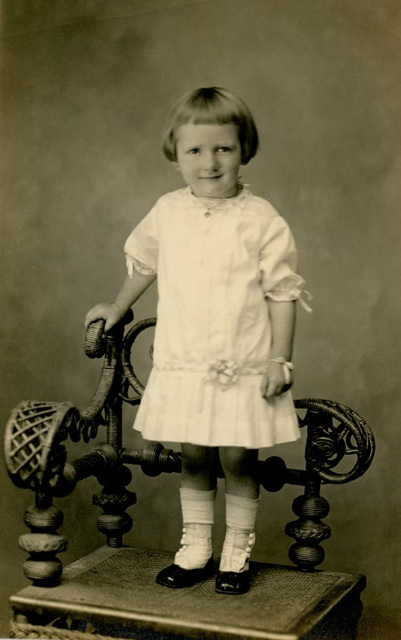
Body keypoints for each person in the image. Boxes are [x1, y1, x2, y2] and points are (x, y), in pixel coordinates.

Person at [85, 86, 309, 595]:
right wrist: (118, 307)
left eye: (223, 149)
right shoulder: (167, 211)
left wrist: (280, 358)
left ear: (243, 150)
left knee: (237, 458)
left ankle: (237, 551)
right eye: (195, 151)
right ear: (176, 155)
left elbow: (282, 294)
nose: (209, 163)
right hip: (186, 359)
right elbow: (146, 263)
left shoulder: (261, 220)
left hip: (242, 361)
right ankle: (196, 548)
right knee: (195, 456)